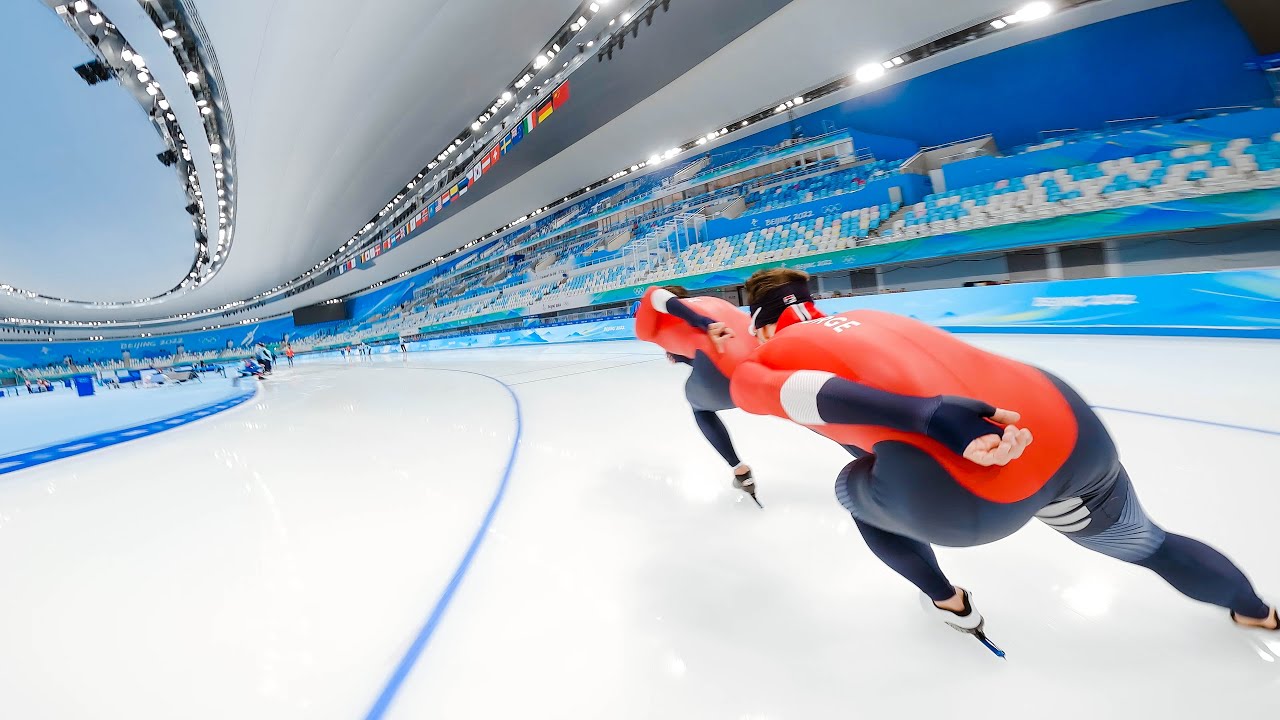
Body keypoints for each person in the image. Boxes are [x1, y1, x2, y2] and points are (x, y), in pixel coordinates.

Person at [700, 267, 1274, 639]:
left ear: (760, 325)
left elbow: (773, 391)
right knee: (1152, 545)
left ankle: (950, 603)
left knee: (855, 488)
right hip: (1061, 424)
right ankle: (1257, 612)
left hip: (971, 489)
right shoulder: (877, 317)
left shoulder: (774, 357)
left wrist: (729, 354)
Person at [634, 285, 760, 503]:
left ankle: (740, 470)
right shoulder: (712, 301)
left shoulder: (650, 326)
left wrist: (701, 322)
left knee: (699, 407)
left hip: (725, 375)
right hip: (761, 364)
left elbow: (654, 294)